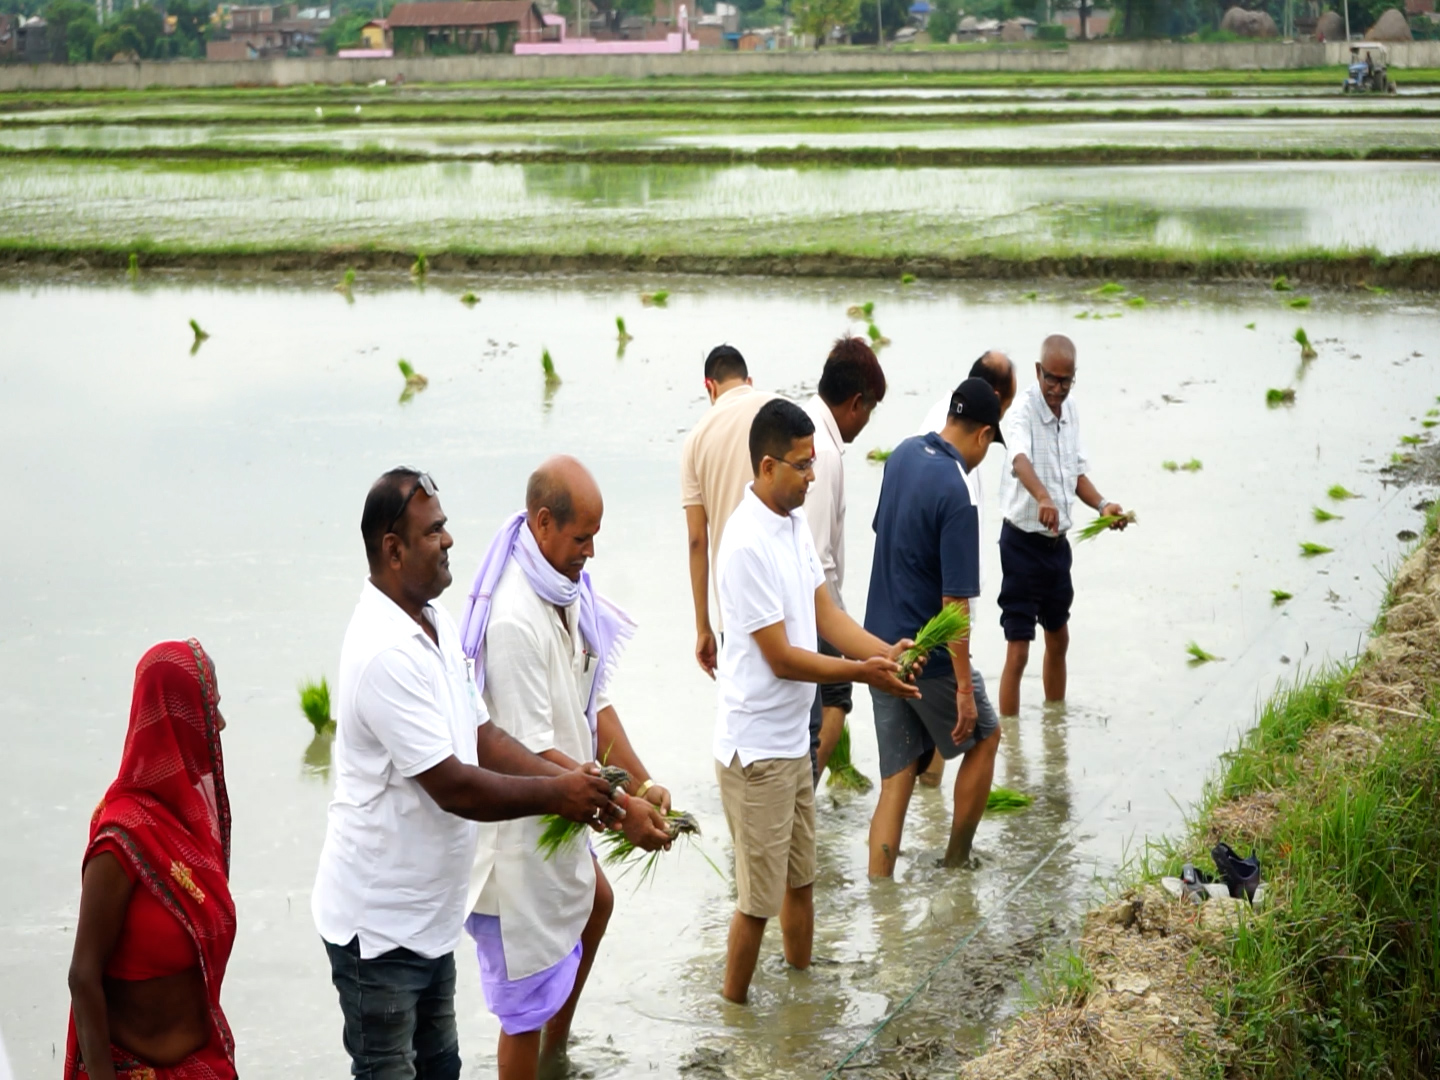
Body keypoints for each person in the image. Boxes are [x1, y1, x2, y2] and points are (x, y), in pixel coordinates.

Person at [312, 468, 623, 1080]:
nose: (450, 540)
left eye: (446, 525)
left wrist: (574, 785)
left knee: (442, 1070)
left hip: (430, 918)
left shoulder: (435, 623)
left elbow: (485, 736)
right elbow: (454, 786)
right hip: (378, 931)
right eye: (434, 531)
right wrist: (559, 793)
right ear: (392, 549)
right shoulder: (384, 653)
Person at [458, 456, 673, 1080]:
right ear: (543, 523)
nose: (591, 554)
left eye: (596, 538)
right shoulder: (515, 618)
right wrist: (622, 808)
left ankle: (559, 1057)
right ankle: (540, 1055)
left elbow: (592, 700)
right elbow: (530, 754)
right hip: (520, 830)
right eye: (582, 539)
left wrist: (641, 780)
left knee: (594, 904)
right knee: (521, 1006)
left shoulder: (567, 590)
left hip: (566, 802)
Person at [714, 399, 923, 1005]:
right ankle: (736, 1021)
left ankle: (801, 1003)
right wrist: (862, 673)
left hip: (791, 739)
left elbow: (825, 613)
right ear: (767, 465)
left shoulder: (792, 523)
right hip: (755, 750)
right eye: (803, 466)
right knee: (756, 903)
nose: (812, 476)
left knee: (801, 882)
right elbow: (779, 656)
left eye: (813, 464)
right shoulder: (745, 543)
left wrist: (885, 654)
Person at [66, 639, 238, 1080]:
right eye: (207, 709)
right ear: (173, 718)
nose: (218, 724)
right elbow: (83, 977)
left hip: (203, 1065)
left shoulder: (191, 822)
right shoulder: (119, 839)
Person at [865, 378, 1006, 875]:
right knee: (986, 737)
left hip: (878, 650)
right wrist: (964, 688)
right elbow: (954, 606)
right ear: (985, 435)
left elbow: (885, 535)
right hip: (928, 658)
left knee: (897, 777)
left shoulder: (901, 455)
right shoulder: (958, 488)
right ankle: (956, 862)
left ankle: (881, 895)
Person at [996, 336, 1127, 717]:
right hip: (1020, 545)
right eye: (1051, 380)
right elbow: (1019, 460)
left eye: (1065, 382)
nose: (1057, 389)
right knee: (1019, 649)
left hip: (1057, 548)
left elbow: (1076, 473)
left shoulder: (1071, 412)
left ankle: (1055, 731)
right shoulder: (1020, 412)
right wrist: (1042, 496)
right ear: (1038, 372)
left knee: (1059, 637)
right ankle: (1013, 747)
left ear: (1073, 379)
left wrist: (1103, 505)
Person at [913, 350, 1015, 790]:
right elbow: (955, 550)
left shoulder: (935, 423)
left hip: (917, 611)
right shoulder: (959, 461)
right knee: (977, 734)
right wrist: (961, 671)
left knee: (916, 748)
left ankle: (926, 816)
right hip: (942, 616)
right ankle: (952, 852)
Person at [803, 336, 888, 783]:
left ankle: (802, 796)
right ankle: (805, 795)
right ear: (856, 403)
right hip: (813, 611)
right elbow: (816, 557)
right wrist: (840, 623)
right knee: (834, 697)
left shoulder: (806, 426)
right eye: (870, 410)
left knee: (822, 706)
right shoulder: (824, 453)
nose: (866, 421)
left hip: (813, 609)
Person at [681, 345, 773, 679]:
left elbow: (696, 540)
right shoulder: (777, 410)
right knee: (804, 723)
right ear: (749, 380)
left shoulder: (696, 439)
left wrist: (703, 626)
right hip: (787, 598)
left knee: (747, 720)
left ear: (710, 386)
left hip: (734, 613)